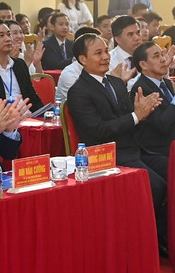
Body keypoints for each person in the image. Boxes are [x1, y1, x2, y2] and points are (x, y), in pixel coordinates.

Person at [65, 33, 167, 252]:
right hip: (106, 156)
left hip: (133, 148)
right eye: (98, 53)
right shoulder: (78, 92)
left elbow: (129, 117)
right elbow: (97, 131)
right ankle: (148, 240)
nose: (105, 57)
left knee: (174, 170)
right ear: (83, 59)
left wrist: (143, 113)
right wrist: (136, 116)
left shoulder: (115, 82)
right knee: (156, 186)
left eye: (105, 51)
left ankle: (164, 234)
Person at [130, 41, 175, 163]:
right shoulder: (141, 89)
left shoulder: (167, 83)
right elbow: (162, 125)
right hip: (162, 151)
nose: (163, 59)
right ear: (143, 64)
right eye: (156, 56)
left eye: (162, 55)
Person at [0, 19, 42, 110]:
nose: (8, 39)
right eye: (1, 36)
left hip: (28, 117)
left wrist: (45, 115)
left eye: (9, 34)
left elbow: (32, 96)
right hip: (2, 119)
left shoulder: (19, 64)